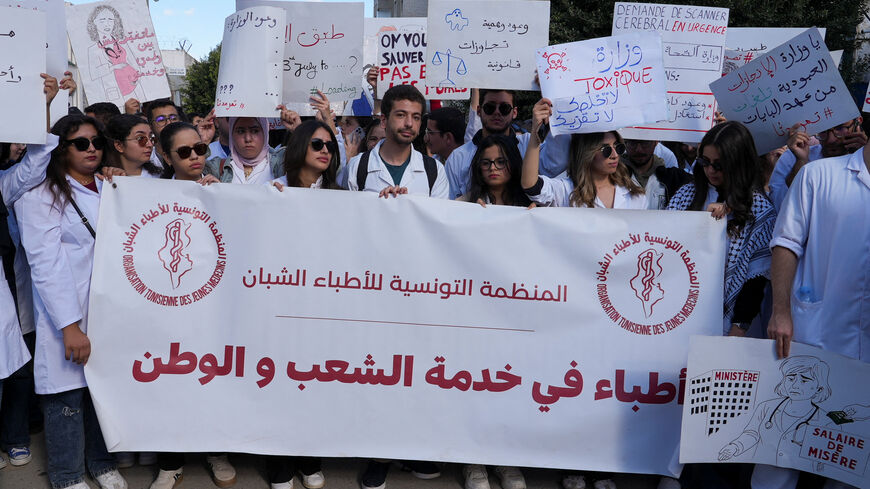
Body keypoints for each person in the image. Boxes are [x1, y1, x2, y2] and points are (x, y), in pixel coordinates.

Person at [14, 114, 128, 489]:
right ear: (61, 148)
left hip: (111, 309)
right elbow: (45, 264)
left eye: (96, 141)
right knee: (66, 396)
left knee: (103, 391)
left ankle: (101, 462)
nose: (92, 149)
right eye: (81, 143)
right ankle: (66, 474)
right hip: (66, 311)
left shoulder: (112, 186)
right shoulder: (39, 195)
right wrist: (69, 326)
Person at [762, 139, 869, 489]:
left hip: (864, 349)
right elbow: (786, 243)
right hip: (811, 332)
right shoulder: (819, 175)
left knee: (851, 454)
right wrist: (780, 312)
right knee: (781, 449)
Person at [265, 120, 342, 489]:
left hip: (323, 306)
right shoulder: (272, 192)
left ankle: (310, 457)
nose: (325, 150)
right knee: (279, 381)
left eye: (329, 145)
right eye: (316, 143)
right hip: (279, 305)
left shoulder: (343, 197)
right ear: (299, 148)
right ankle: (280, 461)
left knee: (315, 383)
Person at [148, 122, 225, 489]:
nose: (195, 157)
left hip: (214, 306)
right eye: (184, 152)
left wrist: (222, 198)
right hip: (168, 306)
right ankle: (171, 460)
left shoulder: (221, 190)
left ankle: (216, 450)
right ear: (165, 156)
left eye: (200, 149)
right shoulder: (146, 195)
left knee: (214, 376)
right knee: (170, 382)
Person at [0, 73, 64, 471]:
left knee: (19, 366)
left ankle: (16, 437)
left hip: (12, 285)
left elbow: (36, 162)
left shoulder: (4, 182)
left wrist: (42, 106)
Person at [667, 121, 776, 336]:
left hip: (732, 326)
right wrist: (700, 223)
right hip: (679, 314)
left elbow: (755, 283)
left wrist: (736, 333)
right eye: (705, 162)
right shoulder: (685, 196)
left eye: (719, 165)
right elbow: (667, 252)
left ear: (739, 164)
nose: (710, 170)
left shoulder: (760, 210)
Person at [521, 100, 645, 211]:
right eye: (606, 149)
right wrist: (535, 137)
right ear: (588, 152)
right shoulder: (566, 191)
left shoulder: (636, 196)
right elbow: (531, 185)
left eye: (618, 147)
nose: (614, 155)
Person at [718, 356, 831, 466]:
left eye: (805, 380)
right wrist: (734, 447)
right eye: (791, 378)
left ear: (819, 388)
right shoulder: (766, 407)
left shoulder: (826, 421)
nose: (795, 385)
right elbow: (752, 434)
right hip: (758, 475)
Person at [346, 84, 448, 199]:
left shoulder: (435, 171)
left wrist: (406, 204)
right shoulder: (357, 166)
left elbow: (437, 215)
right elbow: (351, 214)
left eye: (416, 117)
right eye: (401, 115)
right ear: (384, 121)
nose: (409, 123)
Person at [445, 89, 530, 199]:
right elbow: (448, 206)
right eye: (490, 108)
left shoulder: (529, 147)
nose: (497, 112)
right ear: (479, 111)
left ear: (514, 112)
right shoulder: (458, 157)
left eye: (504, 108)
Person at [768, 117, 866, 210]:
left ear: (858, 122)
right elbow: (780, 208)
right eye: (823, 131)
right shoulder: (792, 157)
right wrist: (801, 163)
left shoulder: (864, 158)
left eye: (840, 128)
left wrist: (865, 158)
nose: (831, 139)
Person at [85, 5, 145, 102]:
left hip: (135, 87)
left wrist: (138, 77)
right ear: (95, 22)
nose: (107, 24)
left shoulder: (123, 43)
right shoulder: (93, 50)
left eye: (110, 20)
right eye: (102, 20)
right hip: (116, 92)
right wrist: (113, 67)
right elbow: (93, 74)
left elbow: (135, 64)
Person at [458, 134, 531, 208]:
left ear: (513, 163)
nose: (492, 168)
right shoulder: (464, 203)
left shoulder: (533, 201)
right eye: (486, 163)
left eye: (500, 162)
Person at [203, 117, 282, 184]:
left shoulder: (282, 163)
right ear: (232, 134)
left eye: (255, 131)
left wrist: (294, 129)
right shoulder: (217, 168)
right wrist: (202, 142)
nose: (248, 139)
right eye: (241, 131)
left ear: (265, 132)